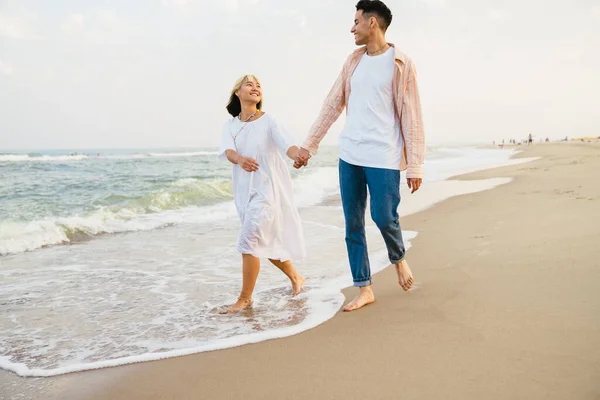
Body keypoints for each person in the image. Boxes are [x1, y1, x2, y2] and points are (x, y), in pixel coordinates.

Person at [294, 0, 425, 312]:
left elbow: (412, 115)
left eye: (356, 21)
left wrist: (415, 164)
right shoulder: (353, 61)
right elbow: (331, 105)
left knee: (383, 216)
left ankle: (398, 259)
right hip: (350, 154)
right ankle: (364, 287)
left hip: (384, 155)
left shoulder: (401, 63)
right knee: (353, 224)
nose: (352, 28)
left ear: (373, 23)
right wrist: (309, 146)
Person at [218, 74, 305, 313]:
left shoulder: (269, 121)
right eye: (249, 84)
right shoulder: (230, 125)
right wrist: (240, 159)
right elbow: (228, 151)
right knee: (261, 241)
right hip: (244, 193)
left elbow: (287, 144)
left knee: (248, 240)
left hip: (267, 191)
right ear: (238, 92)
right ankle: (297, 277)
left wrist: (298, 155)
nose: (255, 87)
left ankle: (245, 298)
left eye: (258, 85)